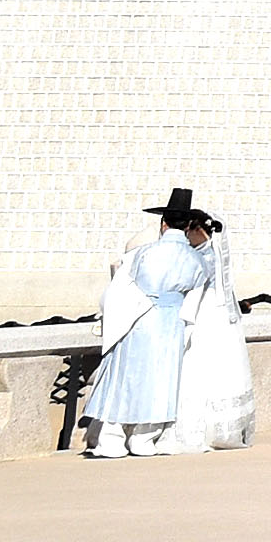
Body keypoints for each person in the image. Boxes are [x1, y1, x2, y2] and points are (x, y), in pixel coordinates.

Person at [84, 188, 213, 456]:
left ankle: (112, 439)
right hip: (172, 321)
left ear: (163, 224)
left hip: (138, 317)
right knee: (161, 379)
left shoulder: (141, 254)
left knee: (124, 376)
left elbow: (117, 290)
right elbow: (197, 295)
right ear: (187, 226)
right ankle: (143, 439)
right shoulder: (197, 260)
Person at [177, 209, 257, 453]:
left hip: (207, 317)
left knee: (200, 367)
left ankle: (200, 428)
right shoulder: (213, 254)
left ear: (197, 230)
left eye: (188, 230)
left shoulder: (204, 256)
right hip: (215, 317)